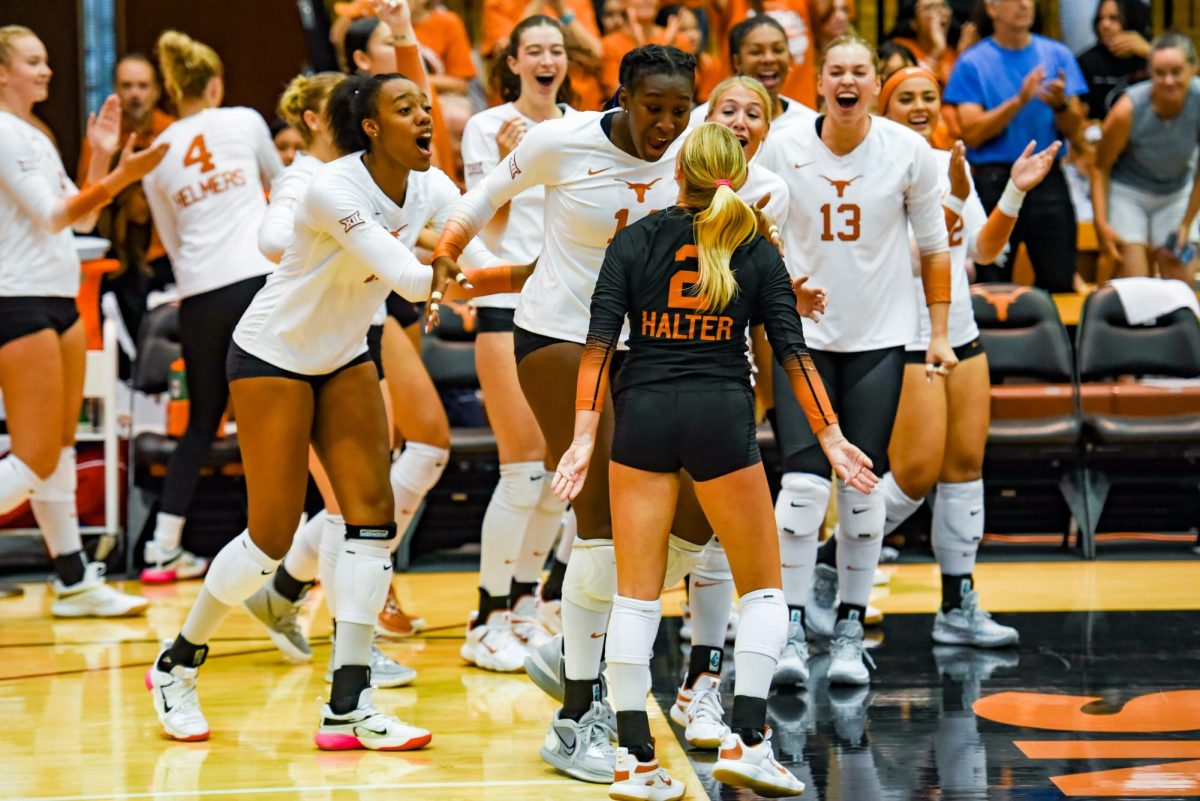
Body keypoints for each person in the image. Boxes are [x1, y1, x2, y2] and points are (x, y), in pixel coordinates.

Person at [146, 71, 526, 747]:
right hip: (272, 355)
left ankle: (348, 704)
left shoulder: (430, 185)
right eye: (405, 107)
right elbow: (413, 279)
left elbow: (487, 254)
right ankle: (177, 660)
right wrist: (472, 268)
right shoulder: (331, 187)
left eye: (426, 106)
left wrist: (539, 272)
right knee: (268, 539)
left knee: (370, 521)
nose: (424, 116)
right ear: (371, 127)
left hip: (346, 353)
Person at [555, 122, 875, 799]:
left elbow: (597, 348)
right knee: (763, 590)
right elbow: (794, 355)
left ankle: (634, 758)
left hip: (641, 416)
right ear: (741, 170)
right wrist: (833, 438)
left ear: (680, 173)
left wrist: (584, 438)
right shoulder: (755, 245)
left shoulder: (634, 238)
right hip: (721, 418)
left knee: (634, 598)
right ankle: (750, 740)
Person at [432, 45, 701, 783]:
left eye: (680, 111)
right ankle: (577, 713)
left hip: (651, 345)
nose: (667, 125)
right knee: (603, 524)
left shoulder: (695, 149)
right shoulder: (560, 141)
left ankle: (568, 640)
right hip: (559, 337)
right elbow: (480, 199)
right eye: (654, 108)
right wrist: (448, 253)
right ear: (622, 96)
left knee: (694, 524)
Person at [759, 34, 954, 687]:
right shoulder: (783, 147)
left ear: (875, 83)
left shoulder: (908, 152)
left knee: (862, 483)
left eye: (859, 71)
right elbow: (755, 233)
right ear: (819, 83)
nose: (848, 81)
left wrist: (939, 332)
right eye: (836, 71)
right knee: (804, 486)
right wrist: (782, 295)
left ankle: (848, 626)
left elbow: (934, 248)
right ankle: (788, 626)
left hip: (879, 336)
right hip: (803, 340)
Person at [872, 65, 1056, 648]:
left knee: (964, 472)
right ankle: (827, 565)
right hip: (905, 335)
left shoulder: (952, 162)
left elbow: (981, 249)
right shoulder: (872, 172)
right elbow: (903, 256)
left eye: (929, 96)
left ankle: (957, 605)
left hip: (962, 329)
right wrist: (951, 192)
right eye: (906, 97)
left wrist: (1015, 191)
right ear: (884, 106)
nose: (921, 105)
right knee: (916, 473)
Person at [0, 26, 164, 616]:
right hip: (17, 300)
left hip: (60, 296)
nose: (46, 70)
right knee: (35, 455)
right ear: (2, 72)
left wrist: (97, 156)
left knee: (62, 450)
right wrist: (120, 174)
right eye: (34, 61)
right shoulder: (2, 132)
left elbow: (83, 223)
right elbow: (51, 216)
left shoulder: (35, 135)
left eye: (46, 59)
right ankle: (72, 578)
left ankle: (72, 579)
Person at [666, 74, 794, 752]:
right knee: (650, 540)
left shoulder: (773, 190)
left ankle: (700, 680)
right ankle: (573, 640)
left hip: (727, 378)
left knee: (713, 534)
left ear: (767, 131)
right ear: (703, 121)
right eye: (729, 109)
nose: (742, 119)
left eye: (755, 112)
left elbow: (769, 307)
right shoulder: (665, 178)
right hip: (653, 377)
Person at [139, 31, 284, 584]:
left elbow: (171, 240)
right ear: (216, 83)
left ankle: (161, 548)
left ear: (172, 92)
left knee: (202, 420)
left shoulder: (157, 155)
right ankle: (273, 552)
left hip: (197, 294)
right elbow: (282, 187)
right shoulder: (245, 120)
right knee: (270, 418)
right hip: (256, 281)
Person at [459, 15, 578, 672]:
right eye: (533, 50)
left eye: (555, 50)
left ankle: (527, 603)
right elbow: (489, 227)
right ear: (512, 63)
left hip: (568, 309)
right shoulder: (487, 127)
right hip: (504, 303)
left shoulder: (581, 126)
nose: (545, 59)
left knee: (559, 474)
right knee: (523, 465)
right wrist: (514, 161)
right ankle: (485, 617)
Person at [942, 0, 1086, 292]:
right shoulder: (973, 61)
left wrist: (1060, 104)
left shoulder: (1058, 54)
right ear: (992, 8)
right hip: (993, 179)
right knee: (991, 278)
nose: (1025, 4)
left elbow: (1076, 130)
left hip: (1048, 177)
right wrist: (1018, 101)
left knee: (1060, 276)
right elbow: (972, 132)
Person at [76, 54, 177, 354]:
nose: (135, 94)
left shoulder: (173, 132)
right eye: (127, 86)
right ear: (116, 90)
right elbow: (86, 196)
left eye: (143, 86)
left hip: (167, 251)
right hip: (118, 254)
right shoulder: (101, 137)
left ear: (157, 90)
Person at [1092, 32, 1200, 281]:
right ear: (1150, 73)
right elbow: (1100, 167)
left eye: (1177, 71)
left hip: (1175, 192)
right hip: (1129, 193)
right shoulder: (1127, 110)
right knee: (1136, 283)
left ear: (1193, 69)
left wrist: (1185, 224)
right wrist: (1101, 224)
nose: (1168, 81)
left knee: (1179, 274)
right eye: (1160, 73)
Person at [482, 0, 605, 111]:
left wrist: (564, 13)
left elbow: (597, 54)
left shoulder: (578, 2)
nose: (548, 61)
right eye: (535, 52)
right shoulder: (498, 3)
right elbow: (504, 55)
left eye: (556, 51)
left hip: (580, 103)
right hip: (516, 104)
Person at [1077, 0, 1151, 122]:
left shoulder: (1150, 55)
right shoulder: (1086, 61)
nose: (1105, 25)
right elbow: (1079, 118)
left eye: (1114, 18)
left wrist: (1149, 52)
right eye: (1101, 18)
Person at [888, 0, 957, 85]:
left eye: (944, 5)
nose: (940, 11)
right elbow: (912, 88)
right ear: (913, 22)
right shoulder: (899, 50)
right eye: (930, 7)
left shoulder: (954, 50)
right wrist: (936, 53)